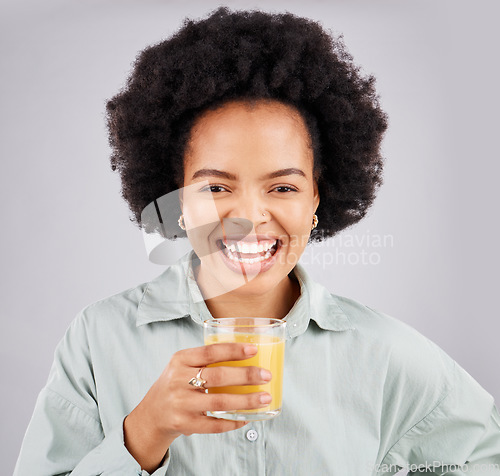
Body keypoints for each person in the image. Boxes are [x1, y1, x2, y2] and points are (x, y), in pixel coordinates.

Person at [14, 7, 500, 476]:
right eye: (216, 187)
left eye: (283, 187)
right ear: (177, 200)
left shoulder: (386, 356)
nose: (247, 217)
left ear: (317, 200)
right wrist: (141, 434)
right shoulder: (98, 341)